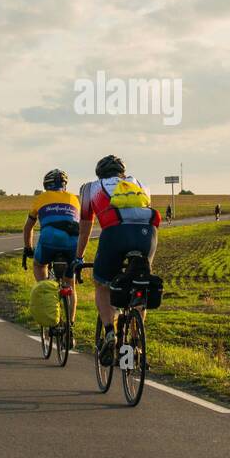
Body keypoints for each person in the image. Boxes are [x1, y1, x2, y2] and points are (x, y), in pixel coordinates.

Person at [74, 155, 160, 366]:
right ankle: (135, 345)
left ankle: (110, 333)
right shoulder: (140, 184)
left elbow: (85, 230)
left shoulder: (90, 188)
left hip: (115, 234)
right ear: (122, 172)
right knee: (140, 283)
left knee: (102, 284)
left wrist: (78, 258)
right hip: (147, 234)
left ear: (99, 173)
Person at [24, 169, 81, 328]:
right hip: (72, 241)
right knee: (71, 285)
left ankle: (46, 290)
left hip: (49, 239)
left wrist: (28, 248)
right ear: (64, 185)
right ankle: (71, 325)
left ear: (46, 185)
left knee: (39, 264)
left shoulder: (41, 199)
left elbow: (28, 228)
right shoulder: (74, 199)